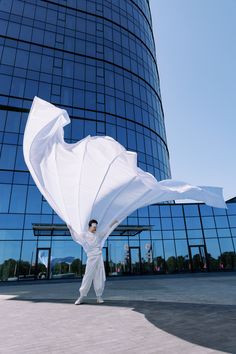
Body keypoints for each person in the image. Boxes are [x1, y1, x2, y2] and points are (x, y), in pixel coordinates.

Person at [75, 219, 119, 305]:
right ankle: (81, 296)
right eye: (94, 227)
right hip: (91, 258)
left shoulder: (98, 234)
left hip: (98, 257)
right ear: (90, 226)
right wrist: (70, 228)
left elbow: (106, 230)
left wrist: (112, 223)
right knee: (88, 276)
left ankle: (99, 297)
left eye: (96, 227)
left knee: (99, 276)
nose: (95, 229)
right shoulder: (84, 235)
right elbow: (76, 236)